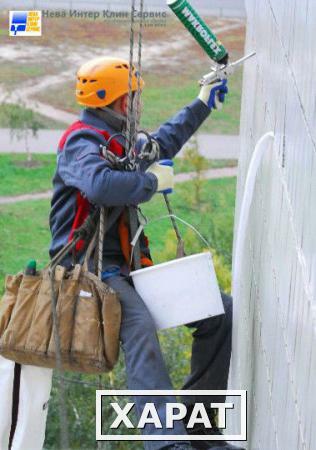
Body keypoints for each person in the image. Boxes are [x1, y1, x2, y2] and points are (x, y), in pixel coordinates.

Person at [48, 56, 242, 450]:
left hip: (126, 270)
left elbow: (162, 142)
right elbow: (99, 186)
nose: (138, 105)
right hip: (89, 271)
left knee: (218, 312)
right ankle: (166, 444)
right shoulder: (81, 142)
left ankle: (199, 435)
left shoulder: (121, 139)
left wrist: (201, 102)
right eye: (134, 98)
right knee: (139, 328)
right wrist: (150, 182)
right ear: (121, 103)